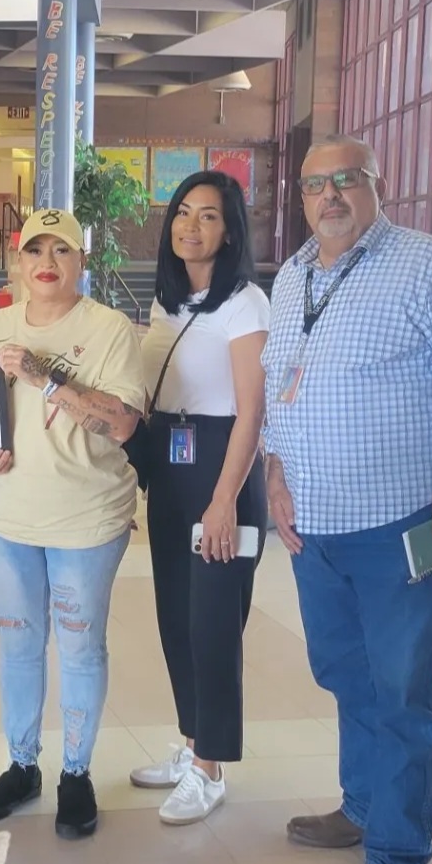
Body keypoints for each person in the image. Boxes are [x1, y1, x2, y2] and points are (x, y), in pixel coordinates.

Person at [262, 135, 432, 864]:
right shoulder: (294, 273)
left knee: (403, 686)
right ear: (300, 198)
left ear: (377, 185)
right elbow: (276, 381)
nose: (330, 196)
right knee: (344, 671)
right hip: (317, 523)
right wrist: (274, 470)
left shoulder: (428, 265)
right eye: (314, 185)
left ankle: (398, 857)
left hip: (404, 517)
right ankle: (362, 805)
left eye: (346, 180)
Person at [0, 208, 146, 840]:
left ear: (81, 262)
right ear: (16, 263)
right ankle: (23, 766)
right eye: (34, 249)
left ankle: (75, 771)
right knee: (17, 645)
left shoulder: (109, 328)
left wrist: (45, 375)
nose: (47, 262)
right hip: (6, 514)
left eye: (61, 251)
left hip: (85, 518)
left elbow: (121, 422)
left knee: (78, 647)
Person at [128, 172, 269, 825]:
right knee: (177, 619)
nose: (191, 225)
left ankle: (210, 768)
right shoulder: (168, 301)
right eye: (183, 212)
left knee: (214, 625)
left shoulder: (246, 304)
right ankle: (191, 745)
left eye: (208, 215)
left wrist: (224, 501)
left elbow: (251, 413)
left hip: (222, 470)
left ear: (231, 229)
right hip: (173, 464)